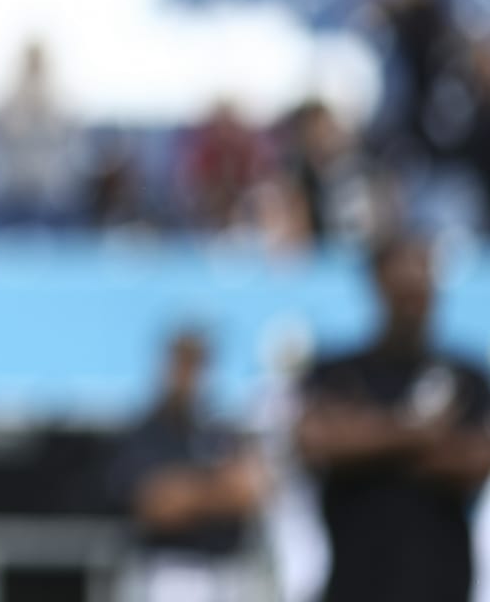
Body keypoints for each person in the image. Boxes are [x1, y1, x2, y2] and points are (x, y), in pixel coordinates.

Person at [295, 234, 490, 602]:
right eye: (402, 290)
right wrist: (421, 433)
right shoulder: (337, 371)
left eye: (421, 286)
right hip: (355, 584)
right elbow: (316, 441)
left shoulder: (466, 375)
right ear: (378, 288)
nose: (413, 302)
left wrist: (366, 436)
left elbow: (476, 460)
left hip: (441, 585)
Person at [109, 329, 269, 602]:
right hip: (170, 574)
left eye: (197, 363)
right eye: (182, 362)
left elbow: (253, 492)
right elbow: (158, 505)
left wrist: (191, 491)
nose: (189, 374)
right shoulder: (146, 431)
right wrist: (219, 490)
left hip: (226, 574)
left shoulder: (219, 428)